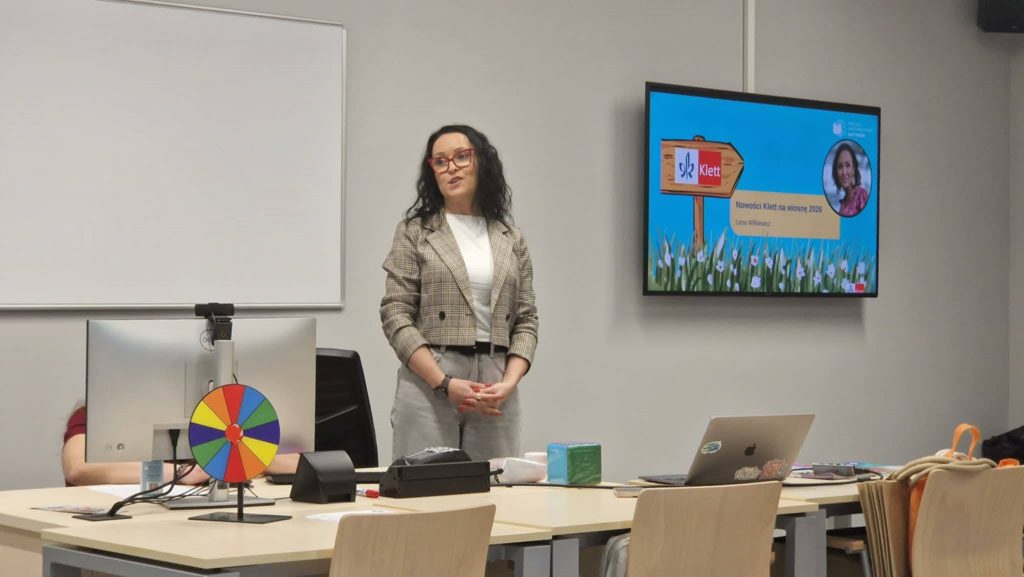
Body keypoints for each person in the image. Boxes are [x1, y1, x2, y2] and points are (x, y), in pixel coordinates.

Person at [380, 124, 539, 462]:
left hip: (495, 384)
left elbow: (526, 320)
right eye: (440, 162)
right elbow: (395, 314)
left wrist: (509, 383)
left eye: (461, 157)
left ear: (481, 162)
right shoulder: (415, 232)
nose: (451, 167)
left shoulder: (511, 237)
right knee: (425, 486)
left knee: (495, 486)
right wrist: (443, 382)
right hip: (430, 380)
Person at [61, 405, 297, 486]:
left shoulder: (212, 418)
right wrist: (181, 473)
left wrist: (247, 459)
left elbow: (298, 463)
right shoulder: (93, 415)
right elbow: (78, 468)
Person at [831, 143, 868, 217]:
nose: (844, 172)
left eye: (848, 165)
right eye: (840, 167)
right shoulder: (843, 203)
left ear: (854, 169)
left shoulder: (861, 195)